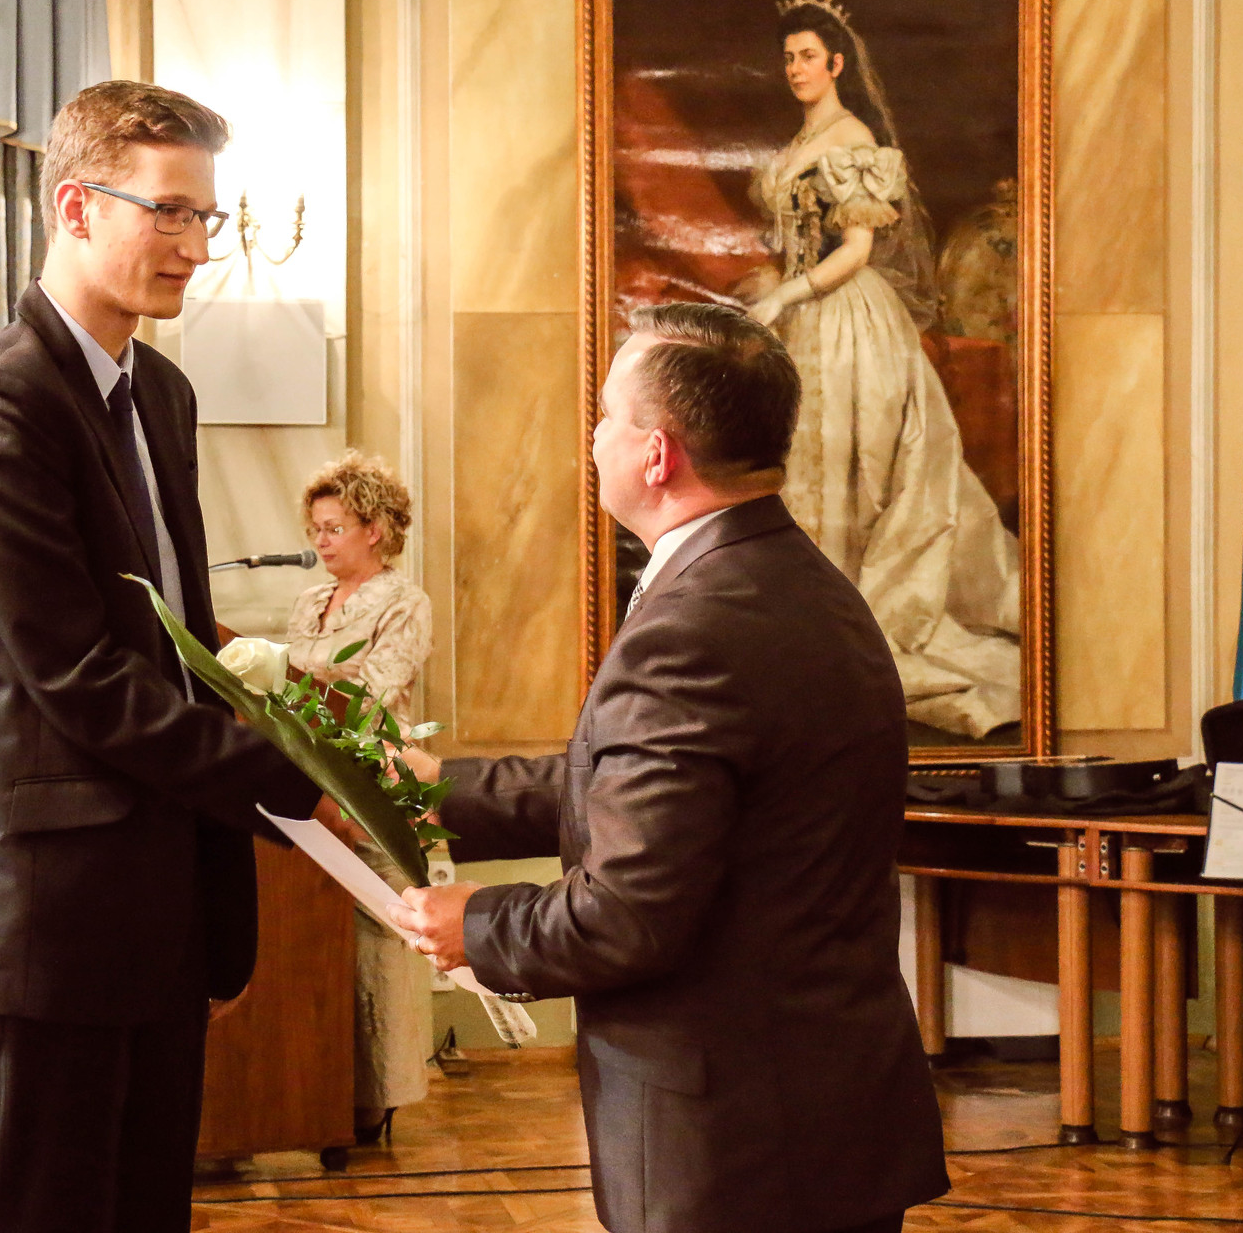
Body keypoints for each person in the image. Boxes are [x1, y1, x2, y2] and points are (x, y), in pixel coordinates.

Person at [388, 303, 949, 1233]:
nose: (594, 435)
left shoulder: (693, 627)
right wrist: (433, 794)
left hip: (733, 1139)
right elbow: (647, 788)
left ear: (657, 455)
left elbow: (626, 918)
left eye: (608, 414)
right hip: (822, 1100)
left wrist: (475, 926)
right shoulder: (798, 583)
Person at [0, 81, 349, 1233]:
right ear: (75, 206)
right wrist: (301, 784)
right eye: (169, 212)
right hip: (58, 916)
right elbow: (79, 677)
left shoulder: (161, 390)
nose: (197, 247)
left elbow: (174, 632)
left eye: (207, 216)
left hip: (170, 898)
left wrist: (291, 691)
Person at [742, 0, 1021, 739]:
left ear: (837, 63)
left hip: (847, 319)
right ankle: (806, 630)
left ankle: (844, 630)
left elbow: (858, 251)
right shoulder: (804, 138)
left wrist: (786, 295)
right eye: (789, 57)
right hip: (805, 316)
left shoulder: (852, 136)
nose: (796, 68)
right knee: (806, 465)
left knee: (852, 469)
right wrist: (775, 289)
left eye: (808, 56)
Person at [283, 450, 434, 1142]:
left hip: (374, 780)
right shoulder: (309, 602)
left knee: (380, 934)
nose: (320, 540)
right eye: (315, 528)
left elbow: (372, 692)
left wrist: (294, 687)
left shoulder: (405, 602)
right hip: (309, 780)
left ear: (375, 529)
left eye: (334, 527)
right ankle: (315, 1085)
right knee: (311, 935)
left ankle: (379, 1095)